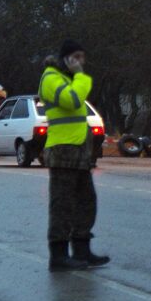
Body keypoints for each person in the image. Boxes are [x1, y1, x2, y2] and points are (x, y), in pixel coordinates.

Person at [39, 39, 109, 272]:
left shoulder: (68, 79)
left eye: (82, 57)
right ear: (65, 58)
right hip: (62, 150)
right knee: (62, 205)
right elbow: (72, 100)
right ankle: (58, 256)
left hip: (78, 150)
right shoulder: (51, 78)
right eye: (76, 57)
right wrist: (81, 76)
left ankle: (82, 250)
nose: (80, 62)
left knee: (86, 201)